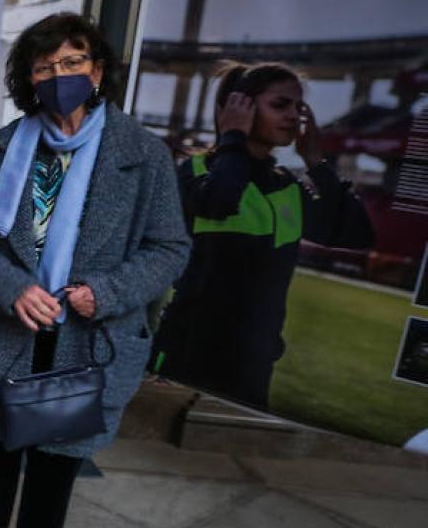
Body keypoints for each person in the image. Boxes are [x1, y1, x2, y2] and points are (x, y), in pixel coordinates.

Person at [0, 13, 190, 528]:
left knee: (55, 472)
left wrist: (102, 293)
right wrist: (14, 286)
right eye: (45, 66)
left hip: (85, 338)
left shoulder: (143, 154)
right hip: (9, 332)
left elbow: (169, 248)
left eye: (73, 62)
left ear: (97, 70)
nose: (60, 75)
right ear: (28, 78)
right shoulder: (3, 147)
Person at [150, 63, 374, 407]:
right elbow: (220, 201)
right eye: (280, 105)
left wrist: (316, 161)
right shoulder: (193, 172)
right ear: (241, 107)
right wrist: (233, 139)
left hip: (253, 366)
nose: (294, 117)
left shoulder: (287, 186)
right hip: (188, 354)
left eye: (299, 108)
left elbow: (357, 234)